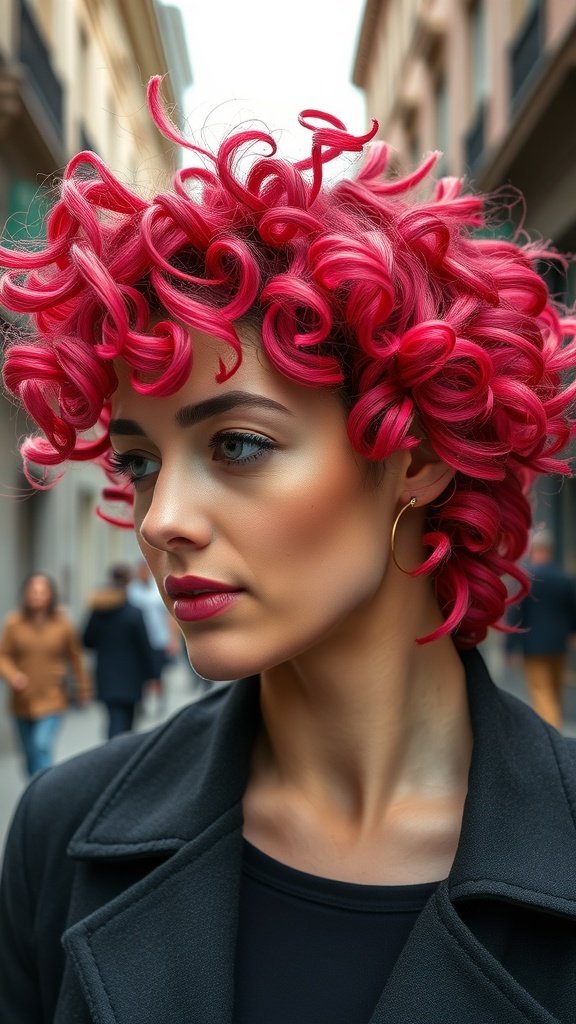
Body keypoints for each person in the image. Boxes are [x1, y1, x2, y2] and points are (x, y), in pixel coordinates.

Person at [1, 80, 576, 1023]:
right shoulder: (60, 835)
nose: (160, 519)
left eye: (237, 445)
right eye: (139, 461)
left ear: (418, 456)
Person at [0, 573, 91, 776]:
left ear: (51, 595)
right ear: (25, 594)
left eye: (42, 591)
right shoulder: (13, 623)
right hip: (22, 699)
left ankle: (43, 793)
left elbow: (75, 658)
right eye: (33, 591)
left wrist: (83, 689)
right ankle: (34, 791)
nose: (37, 596)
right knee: (29, 753)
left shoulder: (62, 624)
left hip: (53, 697)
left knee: (41, 744)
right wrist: (12, 675)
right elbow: (3, 655)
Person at [505, 529, 576, 729]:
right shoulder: (564, 577)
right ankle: (556, 730)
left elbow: (516, 616)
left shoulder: (526, 580)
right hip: (560, 645)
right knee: (555, 691)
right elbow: (573, 609)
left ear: (533, 551)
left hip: (533, 647)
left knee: (542, 693)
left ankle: (554, 736)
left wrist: (510, 648)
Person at [82, 564, 156, 738]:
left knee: (114, 717)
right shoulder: (134, 612)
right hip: (132, 675)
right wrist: (153, 674)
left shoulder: (98, 611)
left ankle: (115, 752)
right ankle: (119, 755)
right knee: (127, 720)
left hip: (106, 674)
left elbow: (86, 641)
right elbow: (145, 646)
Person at [127, 558, 181, 710]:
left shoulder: (158, 589)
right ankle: (143, 701)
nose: (143, 574)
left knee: (158, 672)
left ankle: (159, 699)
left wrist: (173, 639)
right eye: (140, 571)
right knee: (141, 671)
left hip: (158, 638)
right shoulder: (132, 590)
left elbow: (168, 616)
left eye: (145, 571)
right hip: (139, 640)